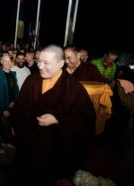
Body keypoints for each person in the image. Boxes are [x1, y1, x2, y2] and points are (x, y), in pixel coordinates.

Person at [11, 45, 96, 185]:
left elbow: (86, 120)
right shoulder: (31, 79)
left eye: (46, 63)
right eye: (39, 61)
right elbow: (20, 105)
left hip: (52, 148)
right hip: (27, 143)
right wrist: (14, 124)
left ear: (61, 63)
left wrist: (58, 119)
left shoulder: (74, 88)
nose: (40, 66)